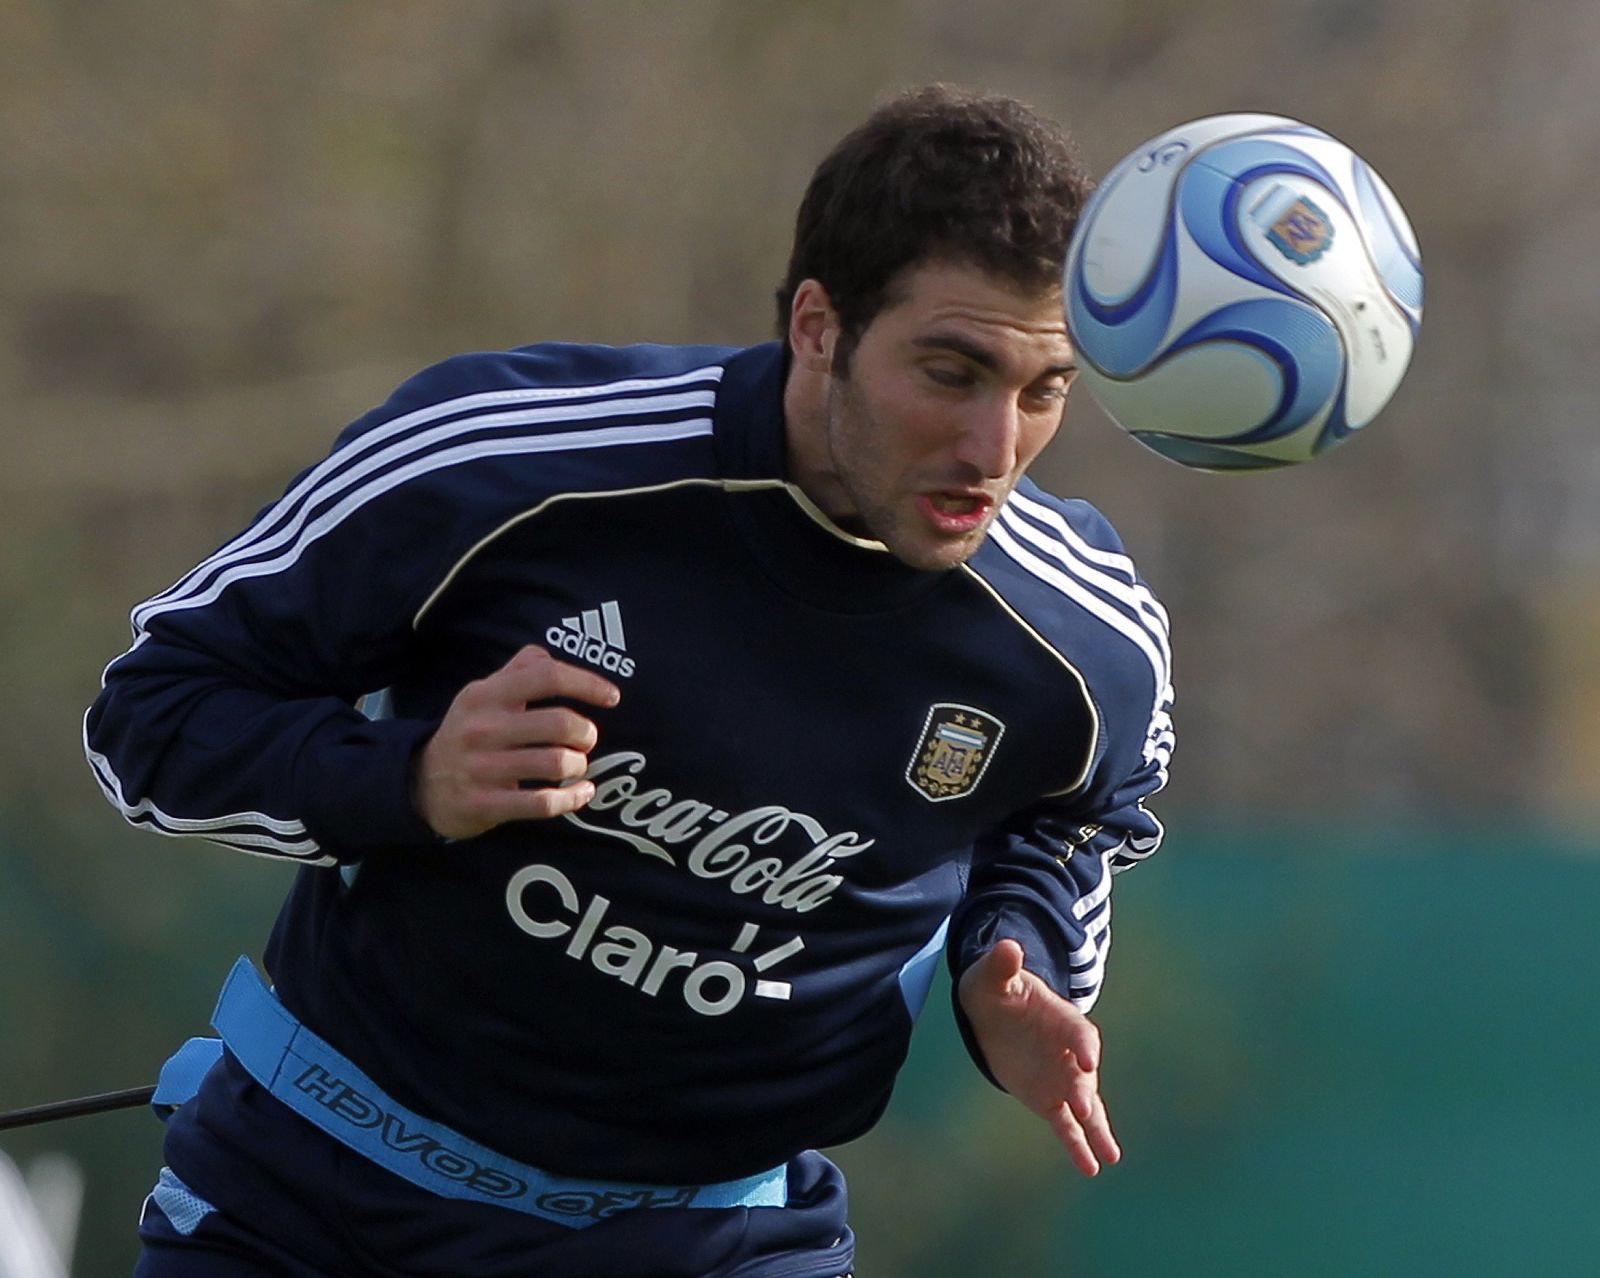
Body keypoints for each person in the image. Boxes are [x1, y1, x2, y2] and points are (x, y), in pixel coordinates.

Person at [85, 83, 1174, 1278]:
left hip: (713, 1238)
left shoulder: (1083, 634)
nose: (994, 448)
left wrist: (1007, 957)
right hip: (316, 1207)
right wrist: (409, 777)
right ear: (818, 325)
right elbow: (153, 710)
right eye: (950, 371)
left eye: (1044, 390)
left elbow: (1079, 822)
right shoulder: (507, 460)